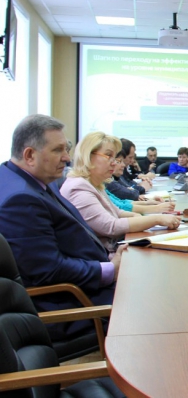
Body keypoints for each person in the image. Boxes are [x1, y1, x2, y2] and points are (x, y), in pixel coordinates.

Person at [0, 114, 127, 341]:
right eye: (58, 150)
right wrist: (110, 270)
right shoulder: (20, 199)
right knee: (155, 304)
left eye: (66, 149)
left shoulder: (27, 181)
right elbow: (48, 270)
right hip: (70, 302)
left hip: (83, 285)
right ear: (29, 155)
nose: (67, 158)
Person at [61, 132, 181, 252]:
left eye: (114, 158)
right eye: (108, 156)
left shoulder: (94, 183)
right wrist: (157, 219)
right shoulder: (78, 188)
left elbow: (117, 212)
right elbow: (111, 227)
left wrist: (137, 218)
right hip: (103, 257)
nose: (114, 163)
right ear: (88, 156)